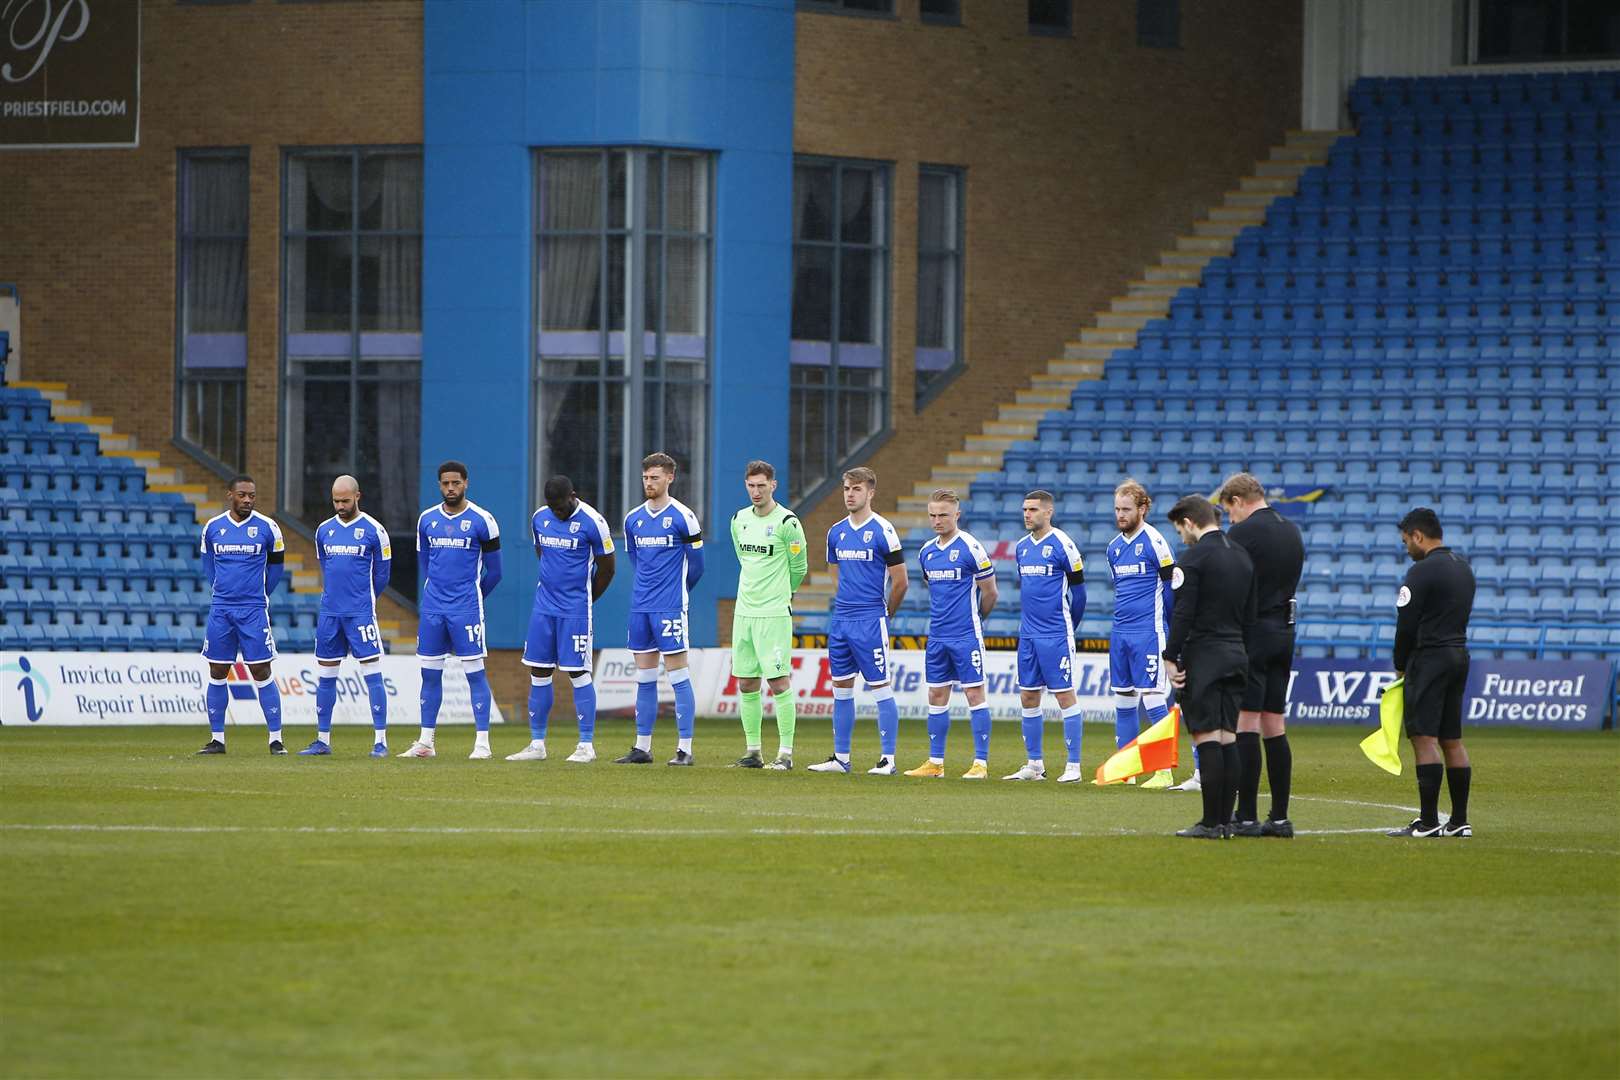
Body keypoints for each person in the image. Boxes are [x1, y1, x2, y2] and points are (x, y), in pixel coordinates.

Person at [1218, 472, 1304, 837]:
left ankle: (1248, 815)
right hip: (1284, 630)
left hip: (1253, 631)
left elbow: (1231, 583)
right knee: (1275, 723)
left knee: (1246, 723)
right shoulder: (1292, 530)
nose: (1229, 520)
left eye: (1229, 512)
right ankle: (1280, 817)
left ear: (1238, 500)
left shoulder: (1243, 534)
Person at [1163, 495, 1255, 839]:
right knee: (1228, 738)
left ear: (1189, 522)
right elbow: (1251, 613)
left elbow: (1183, 613)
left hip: (1205, 656)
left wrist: (1171, 656)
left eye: (1180, 529)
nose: (1181, 537)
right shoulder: (1242, 556)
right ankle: (1227, 822)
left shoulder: (1193, 559)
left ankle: (1209, 822)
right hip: (1237, 654)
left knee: (1206, 739)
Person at [509, 475, 615, 764]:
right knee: (539, 671)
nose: (556, 511)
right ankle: (536, 744)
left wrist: (586, 599)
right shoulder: (539, 518)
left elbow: (607, 569)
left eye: (560, 506)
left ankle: (585, 746)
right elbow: (541, 553)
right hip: (543, 608)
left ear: (573, 496)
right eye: (551, 507)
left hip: (576, 611)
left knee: (577, 673)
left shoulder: (593, 522)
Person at [399, 461, 501, 759]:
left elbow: (495, 572)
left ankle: (482, 743)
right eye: (445, 483)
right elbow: (425, 563)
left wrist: (473, 597)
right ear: (439, 485)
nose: (450, 488)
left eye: (456, 483)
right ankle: (425, 742)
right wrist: (437, 594)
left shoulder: (483, 520)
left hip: (466, 609)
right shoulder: (427, 520)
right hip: (432, 609)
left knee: (474, 674)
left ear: (466, 483)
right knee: (430, 674)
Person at [808, 467, 908, 775]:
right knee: (840, 687)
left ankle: (887, 760)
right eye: (847, 489)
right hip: (841, 621)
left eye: (857, 489)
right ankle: (841, 758)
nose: (850, 494)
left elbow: (900, 581)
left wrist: (885, 612)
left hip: (870, 620)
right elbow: (835, 571)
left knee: (880, 687)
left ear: (870, 492)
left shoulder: (883, 530)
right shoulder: (835, 532)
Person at [1387, 508, 1476, 839]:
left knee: (1423, 737)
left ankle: (1427, 822)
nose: (1406, 547)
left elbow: (1406, 626)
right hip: (1458, 655)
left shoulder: (1420, 573)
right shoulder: (1463, 569)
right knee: (1452, 738)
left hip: (1429, 659)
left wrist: (1400, 664)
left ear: (1418, 536)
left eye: (1406, 541)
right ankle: (1459, 821)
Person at [905, 489, 998, 780]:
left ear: (957, 514)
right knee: (935, 694)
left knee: (974, 694)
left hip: (966, 635)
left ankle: (980, 764)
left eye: (943, 514)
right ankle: (935, 763)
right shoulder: (926, 552)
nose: (937, 520)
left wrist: (976, 620)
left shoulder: (971, 547)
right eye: (932, 515)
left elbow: (990, 592)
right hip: (937, 636)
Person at [618, 453, 705, 765]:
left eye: (655, 477)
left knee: (678, 674)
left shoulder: (684, 517)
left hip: (669, 607)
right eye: (645, 478)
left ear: (670, 477)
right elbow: (636, 562)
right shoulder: (633, 520)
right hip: (640, 606)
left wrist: (677, 592)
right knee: (643, 676)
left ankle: (685, 749)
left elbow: (696, 567)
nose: (649, 483)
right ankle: (642, 747)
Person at [299, 475, 391, 758]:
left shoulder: (375, 531)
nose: (340, 506)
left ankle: (380, 741)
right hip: (330, 614)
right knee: (326, 675)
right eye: (336, 501)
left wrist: (364, 601)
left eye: (345, 501)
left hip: (360, 613)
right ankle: (322, 740)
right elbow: (327, 567)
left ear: (358, 496)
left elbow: (382, 575)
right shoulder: (323, 531)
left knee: (372, 674)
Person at [196, 474, 287, 755]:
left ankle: (276, 739)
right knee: (217, 669)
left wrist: (258, 596)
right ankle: (217, 740)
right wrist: (220, 590)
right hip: (221, 610)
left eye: (252, 495)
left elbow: (276, 570)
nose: (248, 499)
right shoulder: (213, 528)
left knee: (261, 669)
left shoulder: (268, 528)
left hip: (253, 610)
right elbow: (208, 564)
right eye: (242, 495)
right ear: (230, 495)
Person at [727, 460, 807, 770]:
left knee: (778, 681)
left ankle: (785, 754)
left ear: (773, 485)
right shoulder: (739, 519)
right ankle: (753, 752)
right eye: (751, 485)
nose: (756, 491)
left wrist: (785, 594)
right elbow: (743, 558)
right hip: (744, 612)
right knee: (747, 682)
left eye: (762, 485)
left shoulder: (788, 522)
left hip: (773, 613)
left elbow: (799, 566)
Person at [1004, 490, 1088, 783]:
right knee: (1028, 695)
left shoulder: (1063, 544)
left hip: (1055, 633)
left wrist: (1069, 628)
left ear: (1048, 512)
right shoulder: (1022, 547)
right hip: (1028, 633)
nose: (1027, 514)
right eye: (1025, 509)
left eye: (1033, 509)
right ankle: (1034, 764)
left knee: (1065, 695)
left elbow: (1079, 594)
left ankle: (1074, 767)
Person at [1106, 479, 1177, 787]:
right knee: (1123, 696)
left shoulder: (1155, 542)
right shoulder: (1113, 548)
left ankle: (1163, 770)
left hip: (1149, 631)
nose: (1120, 515)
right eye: (1117, 509)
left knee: (1152, 695)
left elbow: (1172, 588)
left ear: (1143, 509)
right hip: (1120, 632)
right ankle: (1127, 768)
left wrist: (1171, 630)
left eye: (1126, 509)